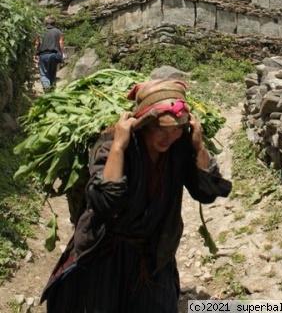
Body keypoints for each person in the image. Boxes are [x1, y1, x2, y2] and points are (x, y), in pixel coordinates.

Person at [41, 78, 232, 313]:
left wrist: (198, 146)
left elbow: (206, 192)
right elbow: (104, 202)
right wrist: (119, 147)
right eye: (160, 129)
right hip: (107, 254)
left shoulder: (180, 147)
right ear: (143, 124)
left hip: (154, 255)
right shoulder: (114, 146)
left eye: (176, 130)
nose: (168, 137)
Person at [33, 15, 64, 93]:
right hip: (54, 55)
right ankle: (52, 90)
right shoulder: (58, 32)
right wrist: (62, 54)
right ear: (54, 23)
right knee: (52, 73)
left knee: (44, 73)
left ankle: (46, 87)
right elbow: (61, 44)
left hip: (43, 55)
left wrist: (34, 54)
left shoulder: (40, 32)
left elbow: (36, 43)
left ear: (45, 23)